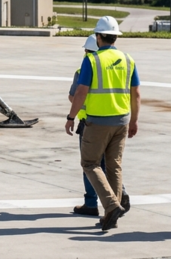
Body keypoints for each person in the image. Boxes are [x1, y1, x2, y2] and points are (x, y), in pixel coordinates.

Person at [65, 16, 140, 232]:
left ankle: (111, 205)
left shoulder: (92, 60)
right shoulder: (128, 59)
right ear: (116, 37)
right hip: (122, 120)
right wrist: (134, 120)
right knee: (114, 165)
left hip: (98, 121)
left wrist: (71, 117)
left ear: (98, 37)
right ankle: (111, 215)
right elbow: (136, 93)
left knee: (90, 163)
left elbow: (81, 92)